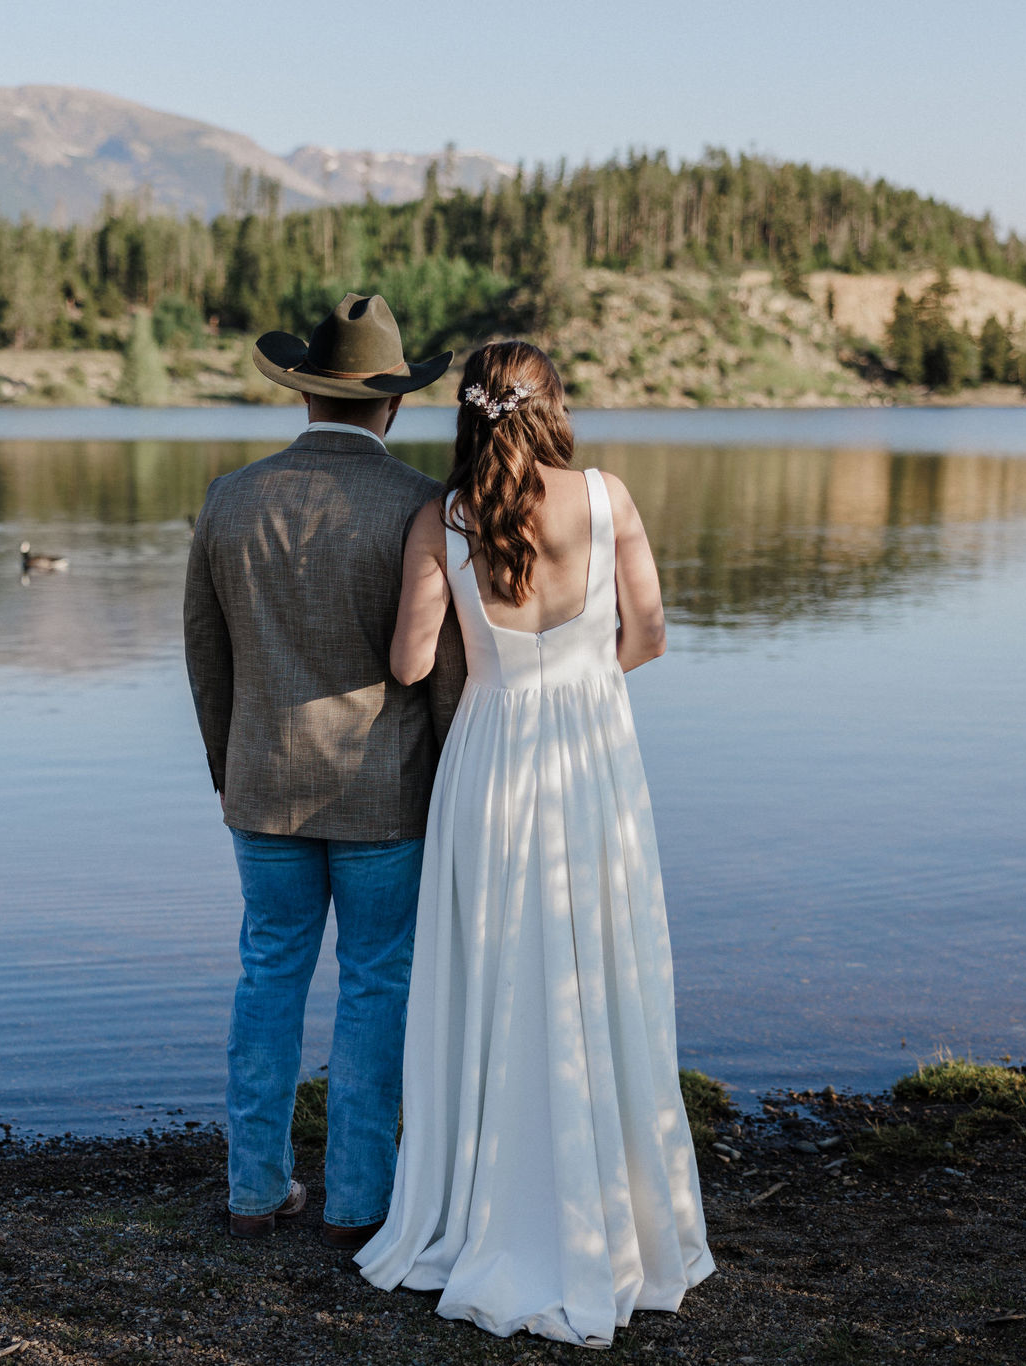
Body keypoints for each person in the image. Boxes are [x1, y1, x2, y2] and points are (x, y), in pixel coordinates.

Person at [356, 341, 715, 1345]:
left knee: (490, 966)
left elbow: (409, 657)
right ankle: (623, 1219)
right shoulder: (607, 498)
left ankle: (482, 1203)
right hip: (593, 751)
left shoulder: (445, 514)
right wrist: (578, 674)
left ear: (469, 413)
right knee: (603, 960)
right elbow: (646, 635)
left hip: (491, 753)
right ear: (552, 404)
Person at [183, 294, 466, 1249]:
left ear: (303, 396)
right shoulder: (421, 503)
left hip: (260, 784)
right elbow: (444, 677)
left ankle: (255, 1187)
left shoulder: (231, 498)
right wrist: (446, 781)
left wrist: (230, 770)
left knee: (268, 974)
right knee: (377, 984)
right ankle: (358, 1201)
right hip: (386, 793)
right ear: (392, 405)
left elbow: (205, 657)